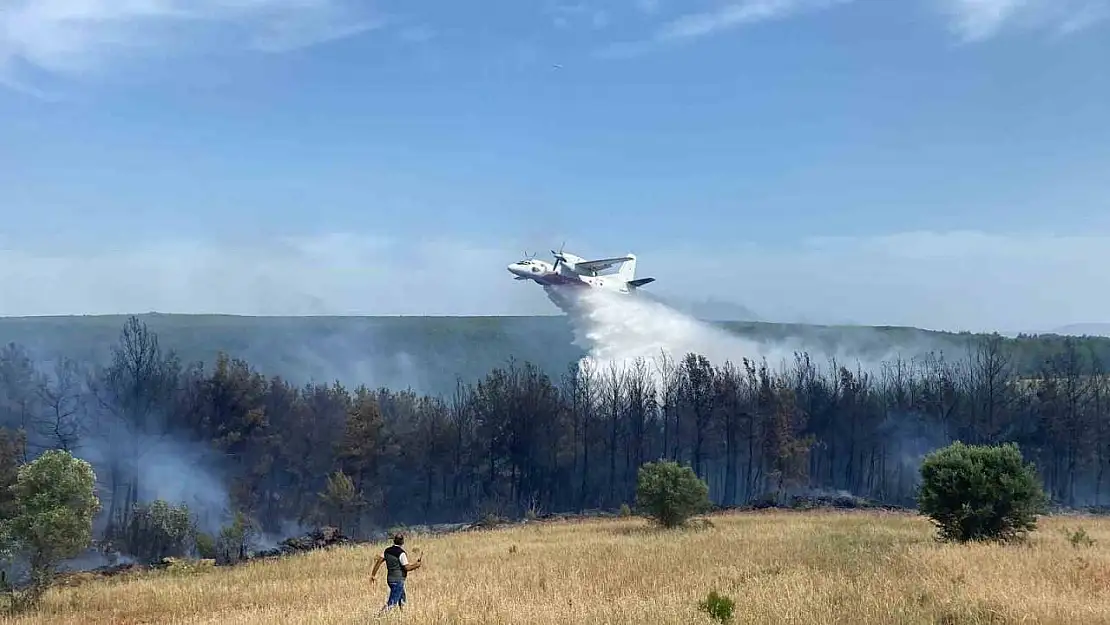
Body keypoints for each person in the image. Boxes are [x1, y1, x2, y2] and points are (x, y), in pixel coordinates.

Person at [370, 533, 422, 614]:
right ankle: (378, 617)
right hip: (398, 580)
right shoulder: (401, 553)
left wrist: (373, 574)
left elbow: (379, 561)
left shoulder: (387, 551)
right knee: (392, 603)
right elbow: (407, 568)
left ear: (394, 541)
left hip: (390, 579)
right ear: (402, 542)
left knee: (402, 598)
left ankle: (403, 615)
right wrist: (417, 565)